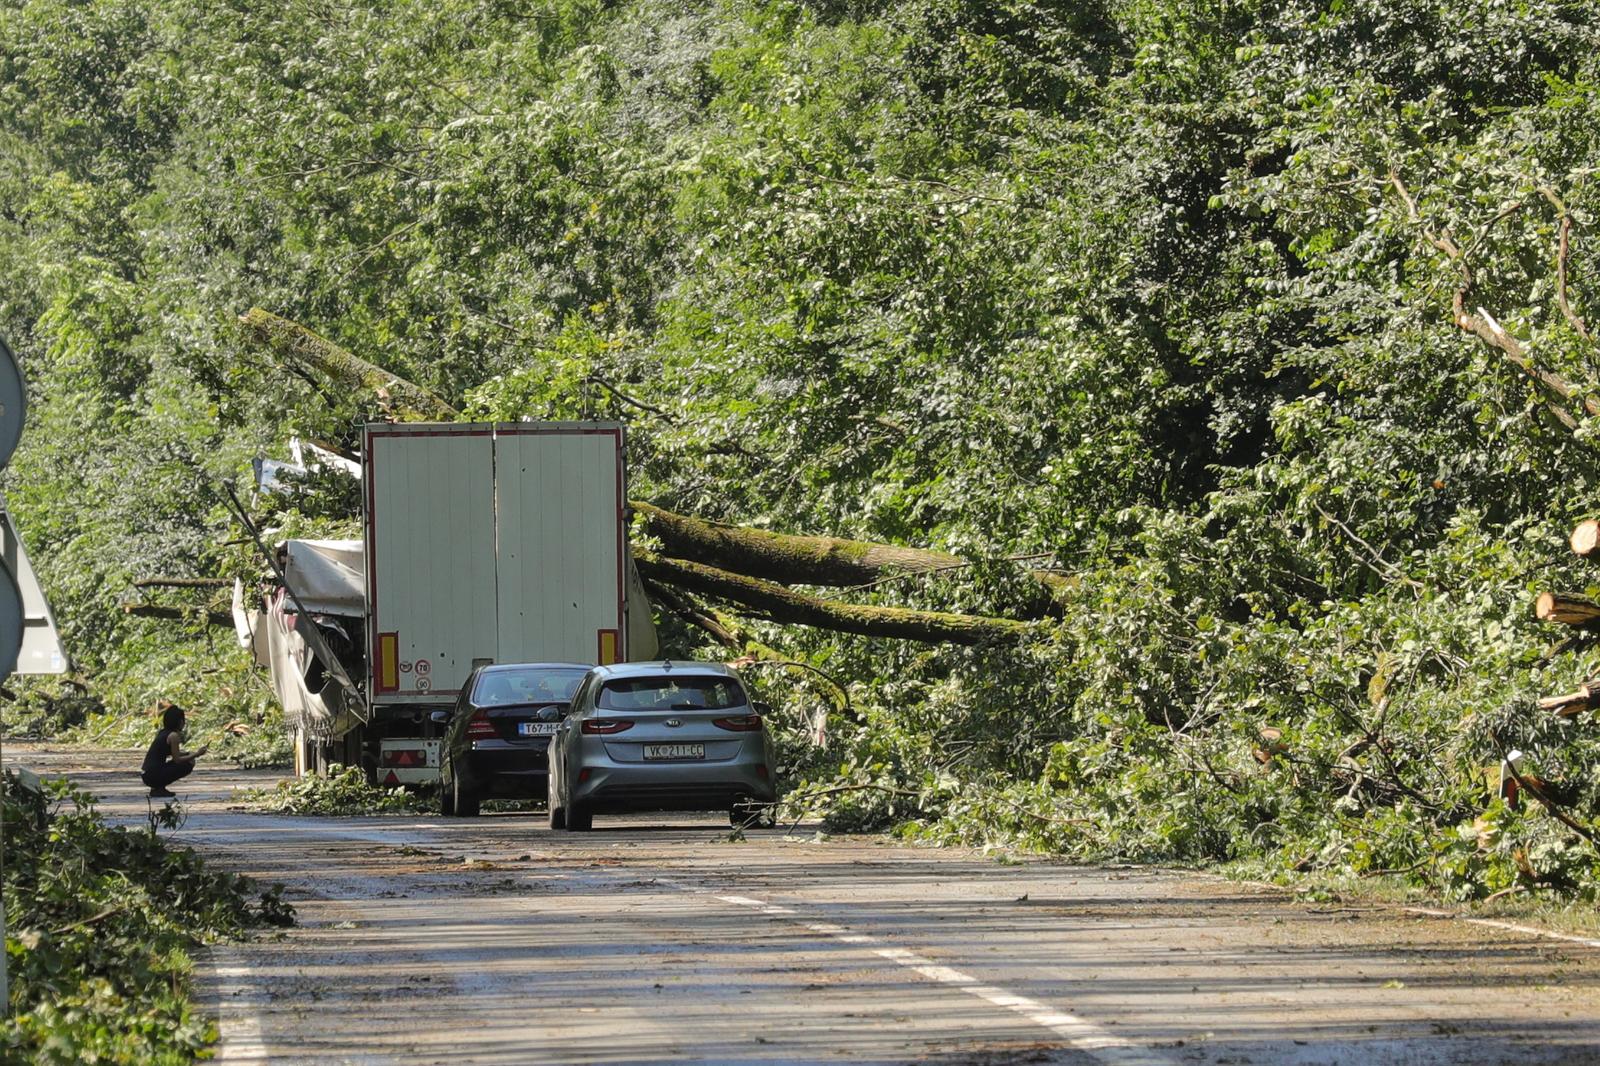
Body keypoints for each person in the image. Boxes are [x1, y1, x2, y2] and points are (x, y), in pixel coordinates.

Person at [141, 703, 208, 798]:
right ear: (180, 722)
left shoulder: (163, 732)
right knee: (188, 763)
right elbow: (177, 759)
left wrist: (187, 753)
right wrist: (197, 754)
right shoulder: (173, 736)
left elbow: (172, 753)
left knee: (188, 758)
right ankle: (158, 787)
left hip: (147, 773)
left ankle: (158, 787)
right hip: (152, 775)